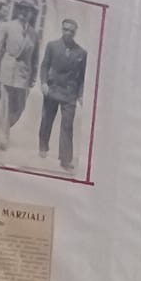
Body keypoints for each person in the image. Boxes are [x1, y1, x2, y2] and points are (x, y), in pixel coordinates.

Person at [38, 16, 88, 170]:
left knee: (67, 125)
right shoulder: (52, 46)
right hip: (53, 89)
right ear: (62, 29)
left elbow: (82, 77)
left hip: (70, 93)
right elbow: (44, 66)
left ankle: (65, 159)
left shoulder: (81, 53)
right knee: (47, 120)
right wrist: (44, 83)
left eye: (71, 31)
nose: (68, 33)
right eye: (65, 29)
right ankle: (43, 146)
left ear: (75, 32)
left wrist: (81, 94)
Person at [0, 0, 41, 153]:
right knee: (5, 105)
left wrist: (34, 77)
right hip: (8, 69)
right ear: (18, 10)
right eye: (22, 9)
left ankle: (4, 125)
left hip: (24, 74)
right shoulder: (7, 26)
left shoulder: (33, 33)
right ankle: (3, 136)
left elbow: (35, 58)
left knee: (19, 107)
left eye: (28, 10)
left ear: (32, 14)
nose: (24, 12)